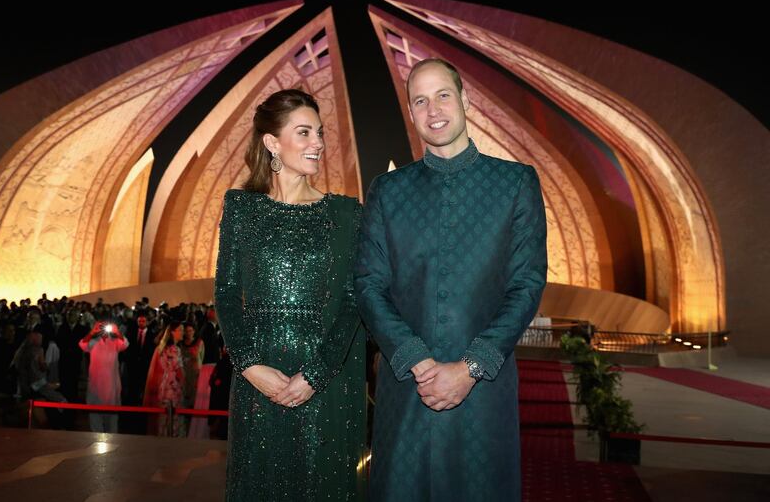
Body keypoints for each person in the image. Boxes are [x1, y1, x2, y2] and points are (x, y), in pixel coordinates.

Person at [355, 58, 548, 501]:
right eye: (419, 100)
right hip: (407, 391)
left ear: (464, 99)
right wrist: (420, 364)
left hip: (483, 391)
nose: (433, 108)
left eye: (443, 94)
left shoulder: (516, 183)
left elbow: (527, 283)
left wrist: (470, 367)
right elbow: (369, 285)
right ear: (411, 112)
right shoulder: (388, 190)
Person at [214, 89, 366, 501]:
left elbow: (354, 301)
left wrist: (315, 375)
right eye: (304, 132)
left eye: (319, 133)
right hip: (256, 379)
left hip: (323, 380)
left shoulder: (346, 215)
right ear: (272, 142)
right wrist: (249, 366)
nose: (318, 143)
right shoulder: (241, 207)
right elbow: (226, 293)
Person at [79, 320, 129, 433]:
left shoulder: (115, 341)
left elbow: (125, 344)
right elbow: (82, 344)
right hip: (95, 388)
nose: (104, 330)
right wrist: (91, 333)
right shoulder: (93, 341)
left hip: (112, 388)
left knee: (112, 424)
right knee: (95, 422)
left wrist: (117, 332)